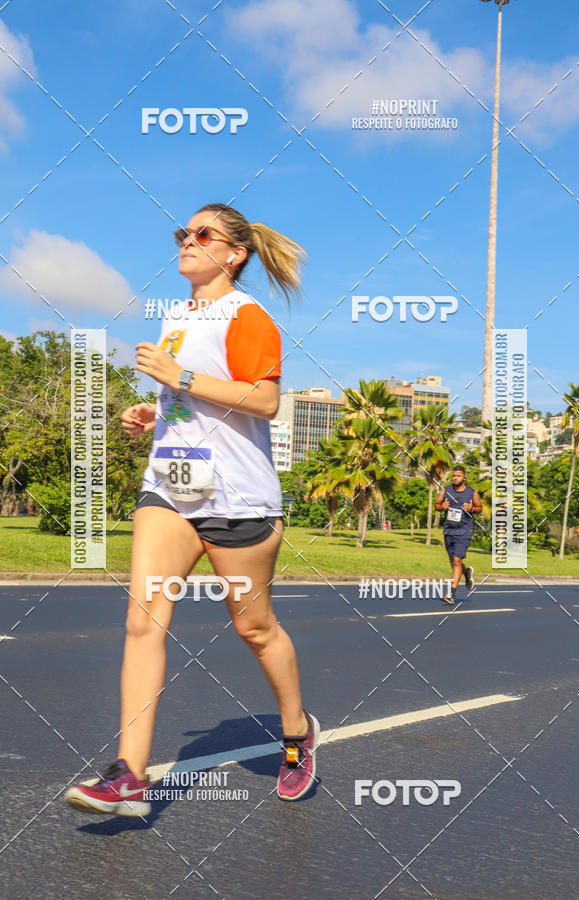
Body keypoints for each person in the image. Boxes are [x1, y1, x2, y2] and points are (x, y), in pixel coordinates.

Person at [65, 203, 319, 816]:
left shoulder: (248, 315)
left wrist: (179, 377)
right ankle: (129, 775)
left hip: (238, 497)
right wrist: (153, 415)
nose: (187, 240)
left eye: (202, 234)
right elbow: (189, 402)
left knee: (254, 629)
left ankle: (296, 733)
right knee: (142, 620)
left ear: (234, 254)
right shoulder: (177, 314)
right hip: (171, 489)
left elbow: (264, 401)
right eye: (184, 232)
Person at [435, 465, 482, 605]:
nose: (455, 478)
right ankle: (467, 573)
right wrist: (442, 507)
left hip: (464, 531)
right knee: (454, 563)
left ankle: (451, 594)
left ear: (464, 477)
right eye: (454, 476)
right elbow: (437, 504)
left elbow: (480, 508)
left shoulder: (472, 493)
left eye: (458, 476)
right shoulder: (446, 490)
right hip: (449, 531)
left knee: (456, 561)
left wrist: (472, 508)